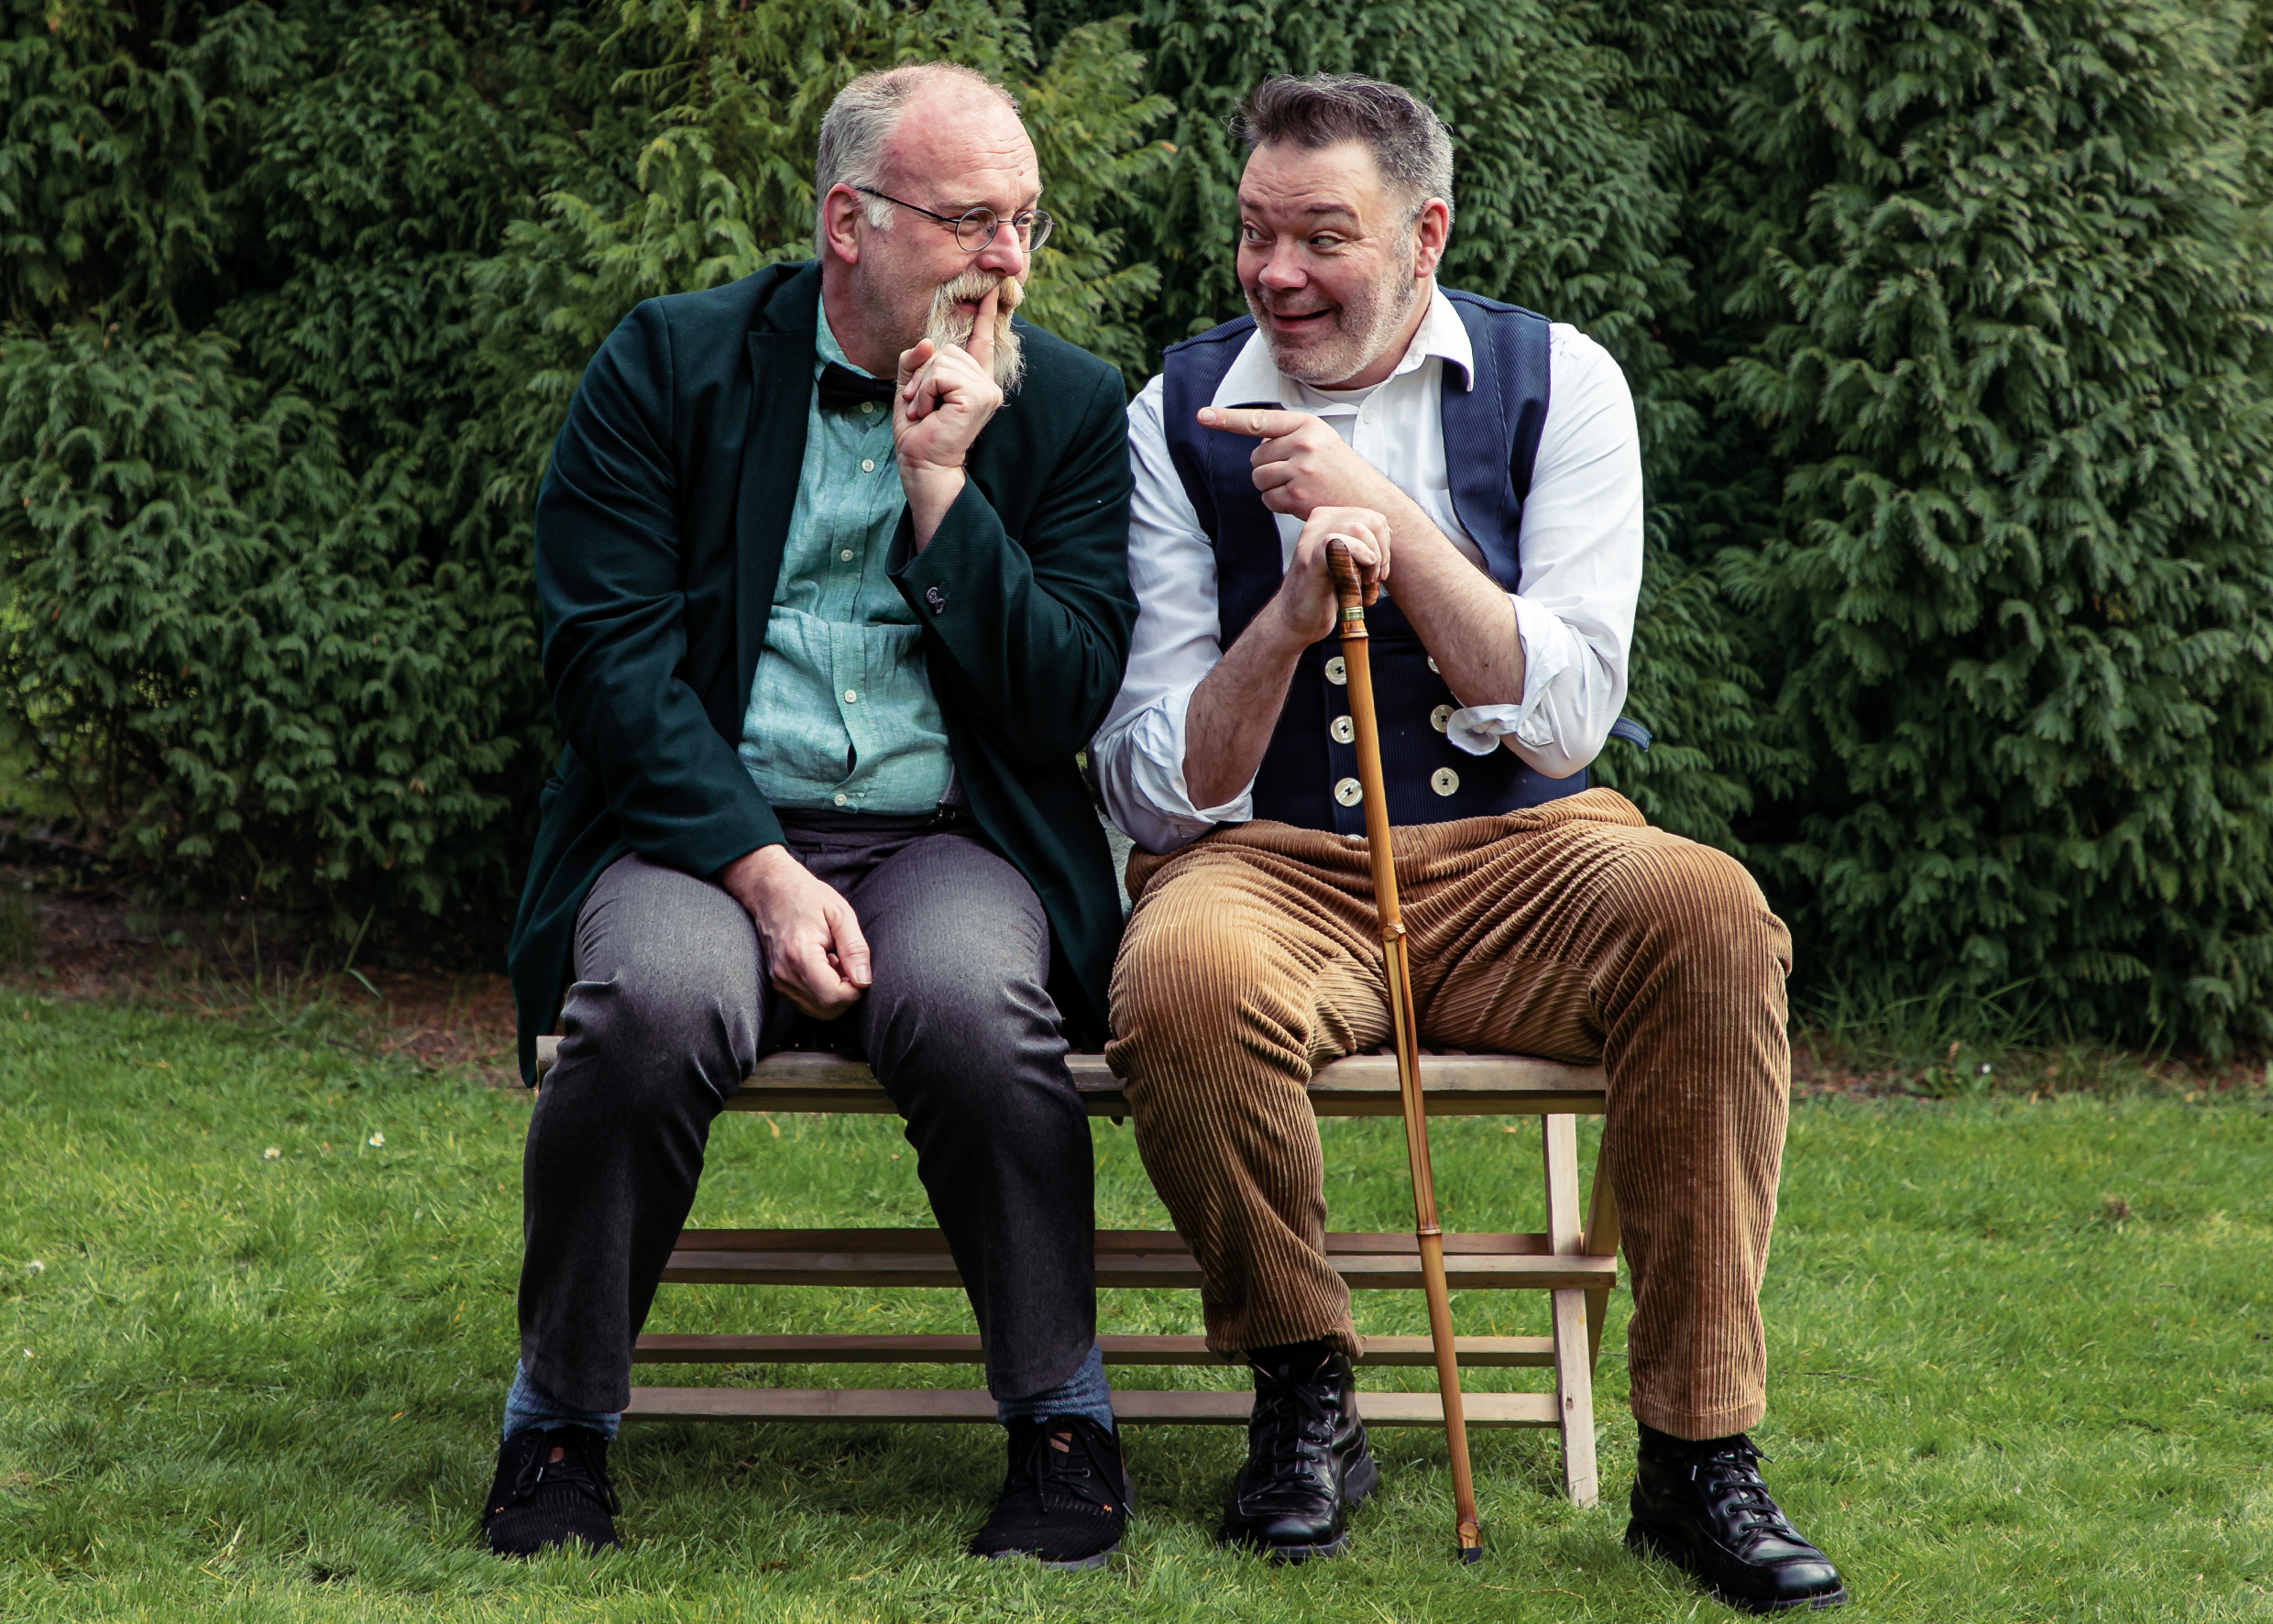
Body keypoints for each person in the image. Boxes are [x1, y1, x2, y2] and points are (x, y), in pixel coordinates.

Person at [1092, 71, 1848, 1610]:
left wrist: (1393, 520)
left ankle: (1696, 1454)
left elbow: (1565, 720)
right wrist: (1288, 614)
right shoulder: (1168, 418)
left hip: (1526, 860)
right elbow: (1154, 788)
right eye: (1254, 233)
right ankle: (1306, 1390)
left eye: (1323, 236)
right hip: (1266, 866)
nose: (1277, 272)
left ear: (1425, 234)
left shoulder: (1563, 383)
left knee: (1713, 914)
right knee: (1178, 981)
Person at [487, 61, 1138, 1569]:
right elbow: (607, 664)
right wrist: (764, 873)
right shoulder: (671, 363)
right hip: (700, 834)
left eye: (1026, 219)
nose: (1009, 257)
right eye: (971, 219)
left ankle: (1062, 1417)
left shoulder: (1069, 405)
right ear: (851, 222)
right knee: (648, 1007)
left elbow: (1062, 696)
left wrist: (943, 488)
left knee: (977, 1011)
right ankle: (558, 1426)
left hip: (948, 838)